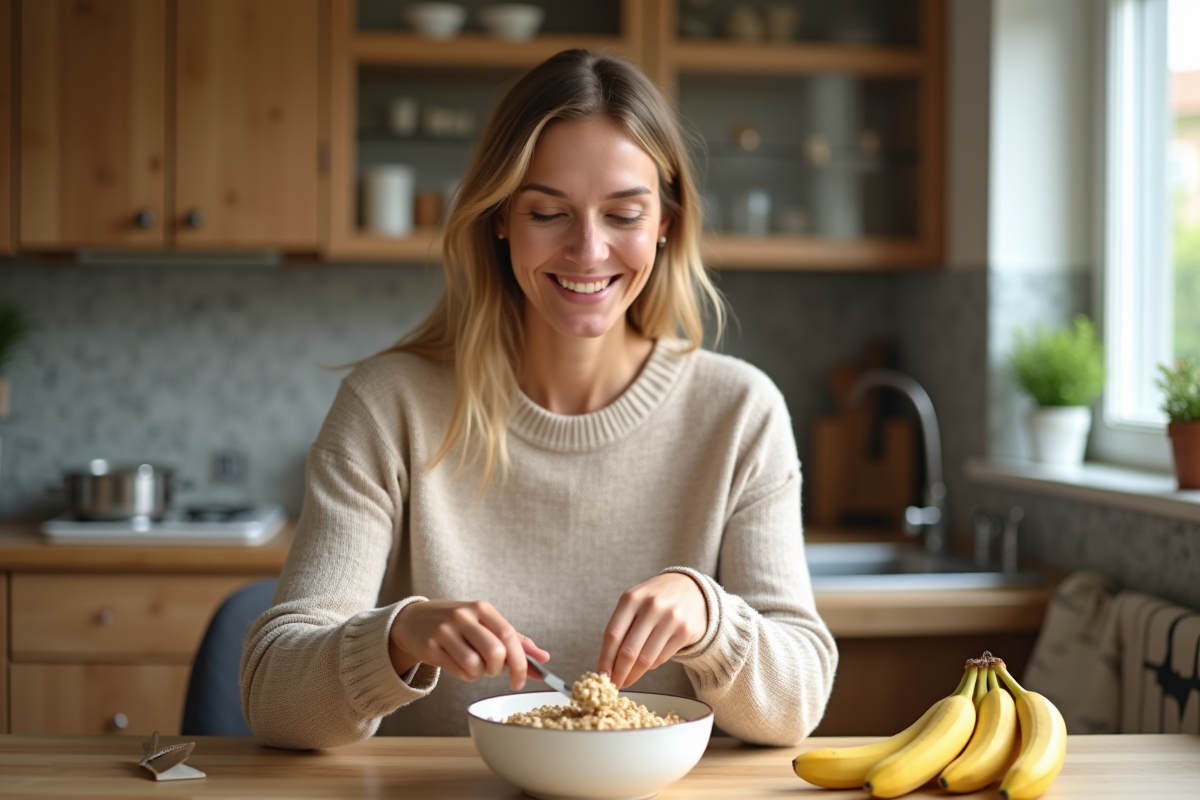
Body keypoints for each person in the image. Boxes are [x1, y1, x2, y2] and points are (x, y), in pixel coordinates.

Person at [240, 49, 836, 749]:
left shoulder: (740, 412)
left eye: (624, 214)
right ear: (500, 219)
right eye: (549, 212)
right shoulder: (388, 407)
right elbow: (272, 698)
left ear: (666, 221)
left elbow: (798, 706)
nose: (588, 250)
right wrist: (396, 637)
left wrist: (711, 618)